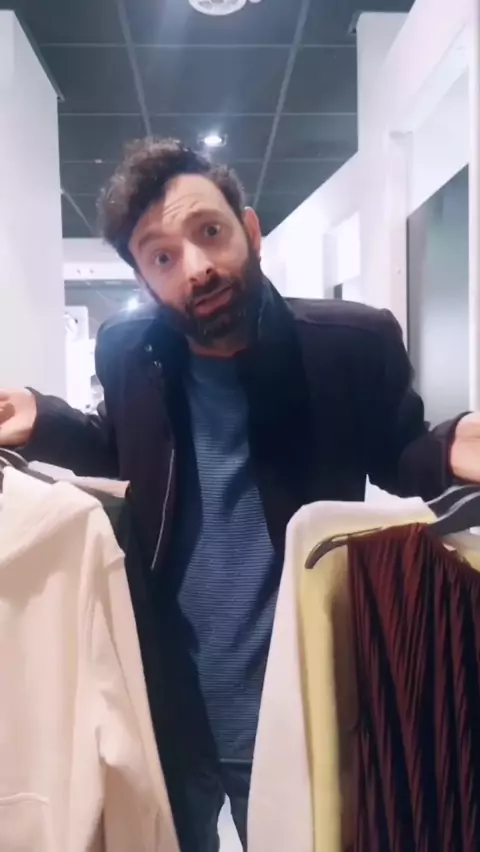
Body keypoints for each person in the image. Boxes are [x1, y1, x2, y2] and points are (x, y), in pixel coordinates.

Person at [1, 137, 480, 852]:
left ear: (250, 230)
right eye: (162, 257)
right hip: (165, 704)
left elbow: (396, 451)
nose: (195, 267)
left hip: (296, 693)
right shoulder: (129, 351)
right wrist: (43, 418)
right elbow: (120, 446)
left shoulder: (349, 343)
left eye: (210, 232)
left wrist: (449, 448)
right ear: (142, 277)